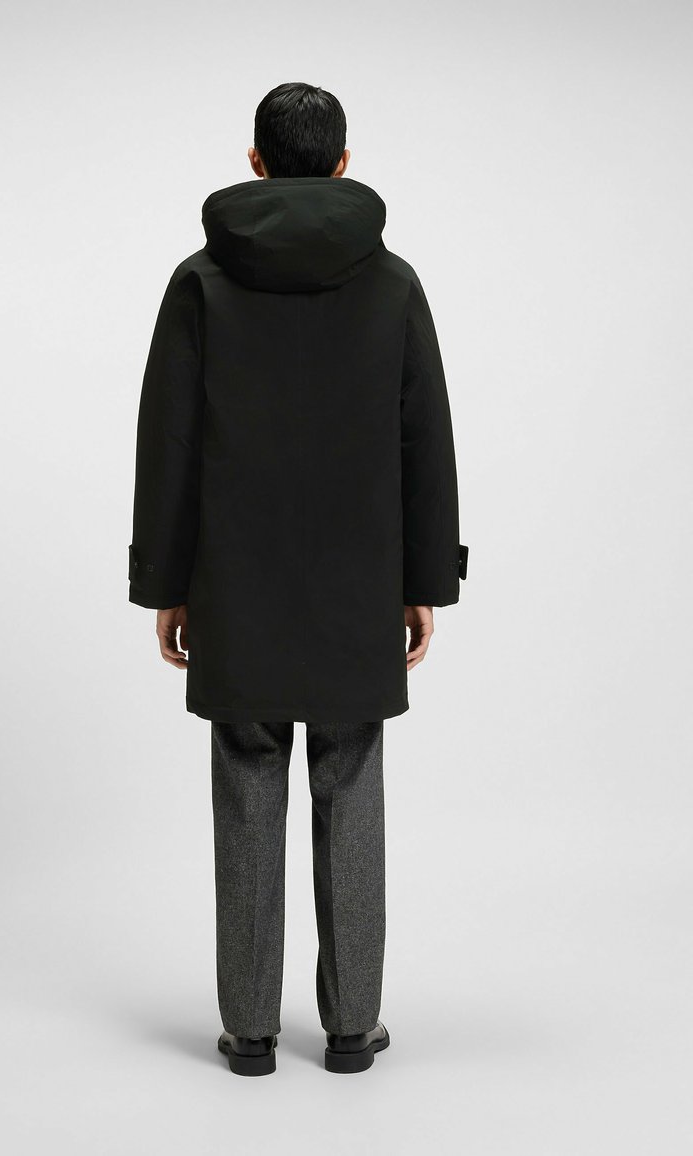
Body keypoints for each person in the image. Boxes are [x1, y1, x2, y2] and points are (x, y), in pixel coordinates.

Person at [128, 82, 468, 1077]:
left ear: (255, 161)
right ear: (344, 164)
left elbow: (169, 440)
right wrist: (423, 580)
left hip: (235, 581)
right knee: (349, 777)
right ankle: (353, 1027)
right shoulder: (392, 283)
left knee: (247, 778)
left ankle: (248, 1031)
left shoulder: (200, 281)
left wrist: (166, 582)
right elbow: (424, 439)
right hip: (357, 580)